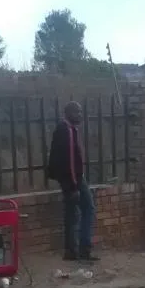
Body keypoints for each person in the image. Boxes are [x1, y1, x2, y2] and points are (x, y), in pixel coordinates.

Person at [46, 101, 97, 262]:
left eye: (81, 112)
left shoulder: (70, 129)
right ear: (68, 113)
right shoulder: (66, 130)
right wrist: (73, 186)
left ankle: (73, 251)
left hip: (71, 178)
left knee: (72, 213)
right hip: (73, 179)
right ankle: (81, 249)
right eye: (77, 112)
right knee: (86, 209)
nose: (80, 115)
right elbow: (68, 160)